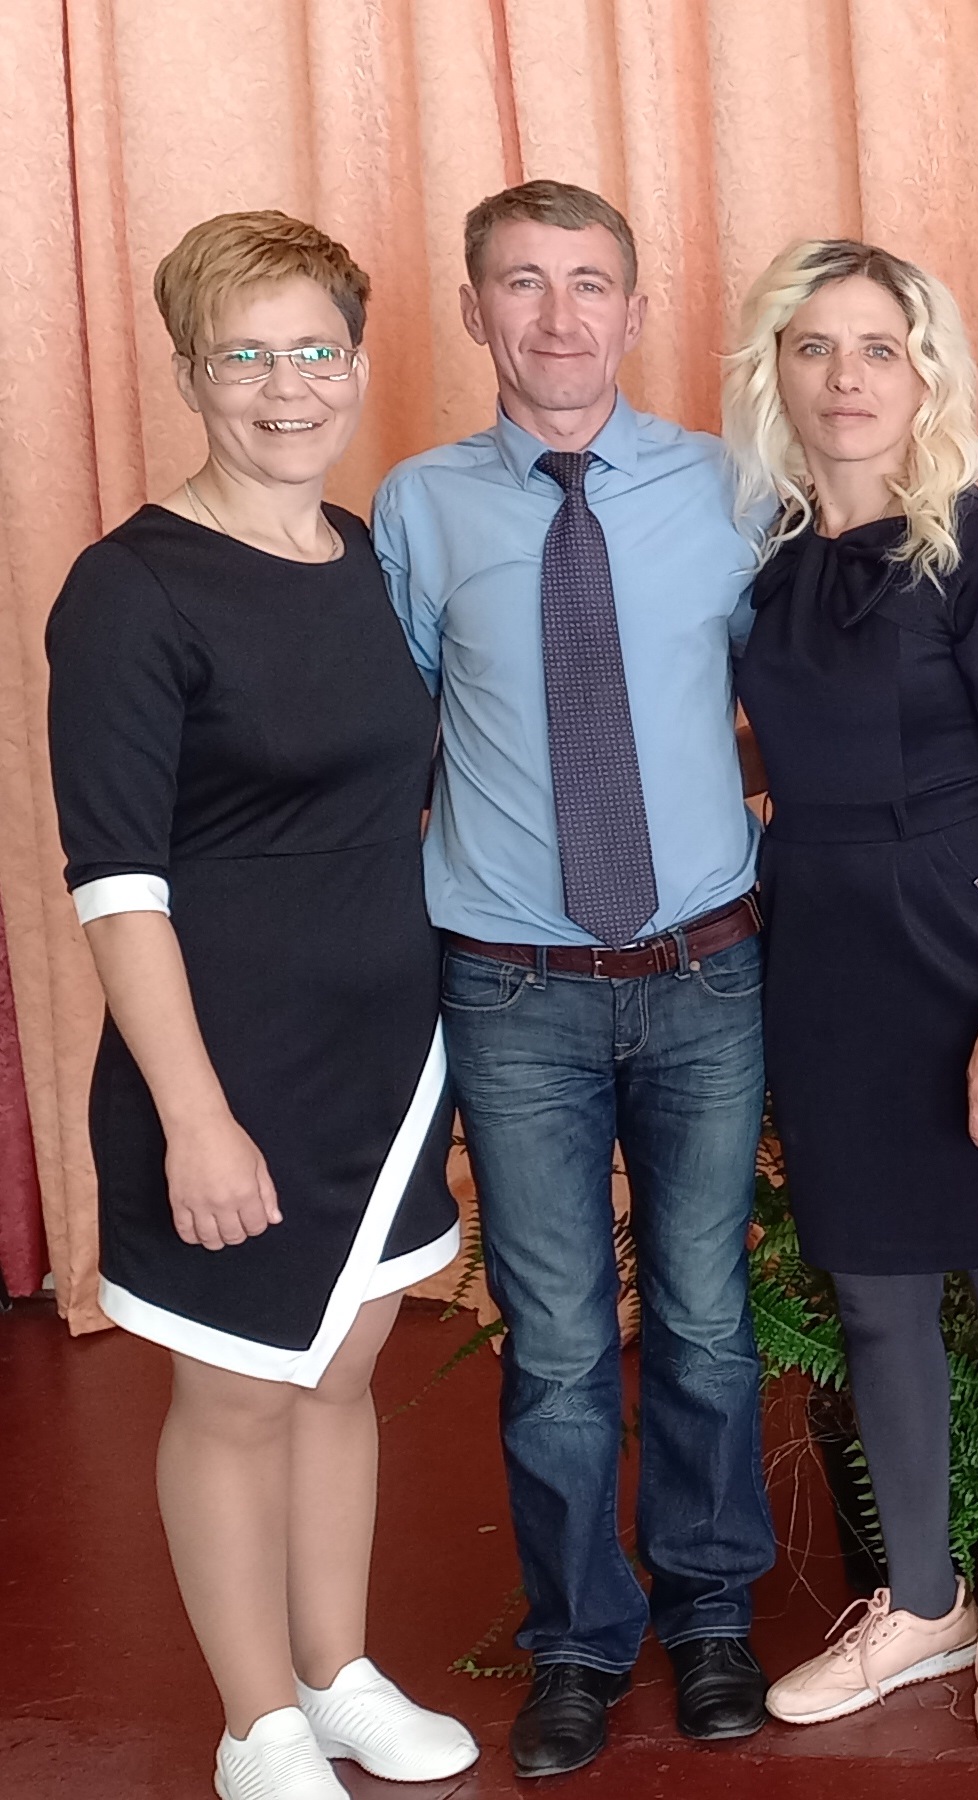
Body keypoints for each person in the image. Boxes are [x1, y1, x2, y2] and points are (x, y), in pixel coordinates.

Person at [47, 210, 481, 1800]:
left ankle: (335, 1673)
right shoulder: (129, 588)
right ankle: (257, 1728)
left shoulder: (364, 554)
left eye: (315, 350)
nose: (286, 386)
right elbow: (117, 884)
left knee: (344, 1371)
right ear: (188, 375)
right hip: (226, 1065)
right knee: (233, 1392)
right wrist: (194, 1118)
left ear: (358, 363)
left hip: (388, 1057)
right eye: (244, 356)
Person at [370, 180, 773, 1778]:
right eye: (523, 283)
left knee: (704, 1317)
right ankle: (578, 1646)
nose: (558, 315)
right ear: (474, 309)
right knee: (551, 1341)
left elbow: (794, 698)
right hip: (513, 988)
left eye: (590, 282)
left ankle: (713, 1618)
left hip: (705, 976)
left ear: (636, 308)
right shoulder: (418, 507)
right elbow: (390, 742)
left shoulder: (733, 489)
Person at [720, 240, 978, 1745]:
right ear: (776, 373)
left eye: (880, 347)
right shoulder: (759, 562)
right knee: (874, 1297)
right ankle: (923, 1607)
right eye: (815, 346)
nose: (847, 377)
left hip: (971, 951)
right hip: (823, 962)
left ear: (926, 374)